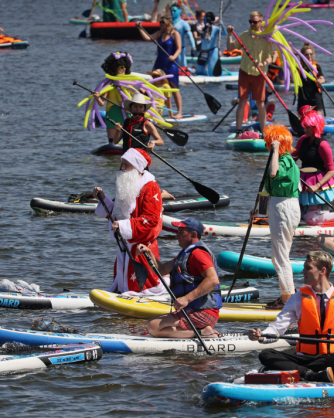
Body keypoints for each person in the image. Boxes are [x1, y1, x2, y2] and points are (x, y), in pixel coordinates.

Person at [249, 251, 334, 382]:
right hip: (305, 358)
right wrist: (262, 335)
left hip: (332, 360)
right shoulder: (297, 298)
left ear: (322, 271)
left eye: (308, 268)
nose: (303, 271)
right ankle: (308, 374)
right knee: (266, 354)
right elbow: (276, 329)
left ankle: (295, 371)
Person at [93, 148, 166, 296]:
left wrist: (123, 225)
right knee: (124, 286)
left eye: (126, 164)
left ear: (137, 167)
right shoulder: (128, 183)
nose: (122, 168)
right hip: (125, 246)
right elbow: (118, 214)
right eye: (122, 164)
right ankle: (121, 293)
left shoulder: (150, 187)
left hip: (141, 247)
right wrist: (103, 198)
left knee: (144, 289)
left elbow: (152, 219)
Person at [138, 217, 223, 338]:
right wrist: (148, 252)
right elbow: (161, 270)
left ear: (193, 234)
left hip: (204, 313)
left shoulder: (198, 253)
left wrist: (186, 299)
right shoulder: (185, 254)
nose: (176, 236)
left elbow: (213, 280)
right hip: (192, 310)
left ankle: (203, 333)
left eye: (181, 232)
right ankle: (199, 332)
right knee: (156, 325)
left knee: (153, 326)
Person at [260, 124, 300, 309]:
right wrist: (258, 211)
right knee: (279, 255)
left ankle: (288, 299)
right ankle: (286, 294)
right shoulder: (288, 160)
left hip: (283, 207)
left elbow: (274, 173)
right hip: (283, 205)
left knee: (280, 256)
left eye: (270, 143)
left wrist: (275, 150)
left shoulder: (283, 160)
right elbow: (270, 189)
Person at [227, 12, 274, 138]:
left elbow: (271, 58)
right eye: (250, 22)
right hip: (245, 72)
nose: (252, 24)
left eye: (255, 22)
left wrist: (263, 63)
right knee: (242, 101)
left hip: (259, 74)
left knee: (260, 103)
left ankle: (264, 133)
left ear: (260, 22)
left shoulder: (266, 38)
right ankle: (238, 131)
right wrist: (229, 35)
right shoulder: (245, 35)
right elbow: (230, 48)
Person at [292, 108, 334, 226]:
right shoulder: (303, 139)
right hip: (303, 181)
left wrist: (317, 185)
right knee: (300, 214)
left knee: (310, 218)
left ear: (315, 127)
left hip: (318, 183)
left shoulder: (323, 145)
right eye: (305, 126)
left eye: (308, 127)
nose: (305, 129)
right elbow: (293, 158)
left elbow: (330, 171)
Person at [137, 18, 184, 119]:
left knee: (173, 88)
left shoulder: (175, 34)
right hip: (160, 64)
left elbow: (179, 48)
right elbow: (148, 38)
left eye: (163, 22)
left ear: (168, 23)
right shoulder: (159, 33)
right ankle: (158, 110)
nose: (160, 24)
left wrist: (174, 56)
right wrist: (140, 28)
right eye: (160, 22)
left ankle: (179, 112)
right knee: (157, 86)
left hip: (171, 64)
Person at [93, 52, 134, 144]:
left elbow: (133, 100)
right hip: (112, 113)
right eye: (121, 67)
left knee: (127, 139)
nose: (124, 69)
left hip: (125, 113)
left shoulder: (129, 82)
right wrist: (97, 97)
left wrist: (130, 109)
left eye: (125, 67)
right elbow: (101, 103)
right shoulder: (109, 84)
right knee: (112, 142)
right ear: (114, 68)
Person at [296, 43, 326, 116]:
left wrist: (320, 81)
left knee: (318, 115)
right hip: (303, 96)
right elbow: (288, 65)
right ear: (303, 56)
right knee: (301, 117)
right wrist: (294, 54)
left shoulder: (316, 66)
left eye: (311, 54)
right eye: (306, 54)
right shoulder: (299, 66)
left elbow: (322, 79)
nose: (309, 56)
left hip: (315, 96)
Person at [195, 12, 227, 76]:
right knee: (199, 71)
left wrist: (222, 25)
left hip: (213, 51)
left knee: (212, 73)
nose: (204, 20)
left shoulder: (215, 28)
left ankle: (225, 72)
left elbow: (224, 33)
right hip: (203, 52)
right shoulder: (202, 28)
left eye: (205, 18)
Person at [170, 3, 194, 68]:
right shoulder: (169, 23)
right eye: (171, 11)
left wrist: (193, 47)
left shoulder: (183, 23)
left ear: (179, 10)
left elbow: (190, 35)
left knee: (182, 66)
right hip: (170, 49)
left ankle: (185, 73)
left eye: (174, 11)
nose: (172, 13)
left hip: (180, 49)